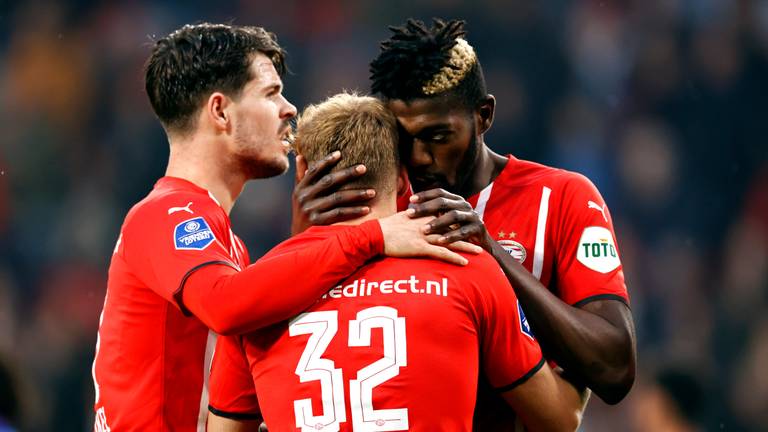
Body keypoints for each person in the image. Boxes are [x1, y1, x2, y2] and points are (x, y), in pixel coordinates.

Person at [90, 23, 478, 432]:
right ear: (220, 111)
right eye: (271, 93)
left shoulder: (222, 242)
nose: (290, 108)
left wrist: (304, 242)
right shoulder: (165, 213)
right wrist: (374, 236)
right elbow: (225, 305)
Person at [294, 18, 636, 429]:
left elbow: (615, 369)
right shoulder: (378, 205)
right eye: (404, 139)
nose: (419, 157)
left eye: (438, 136)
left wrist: (493, 255)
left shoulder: (561, 198)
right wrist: (303, 238)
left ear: (483, 115)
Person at [206, 92, 585, 432]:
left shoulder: (256, 296)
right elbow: (559, 420)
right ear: (404, 180)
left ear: (302, 171)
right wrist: (579, 358)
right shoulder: (465, 266)